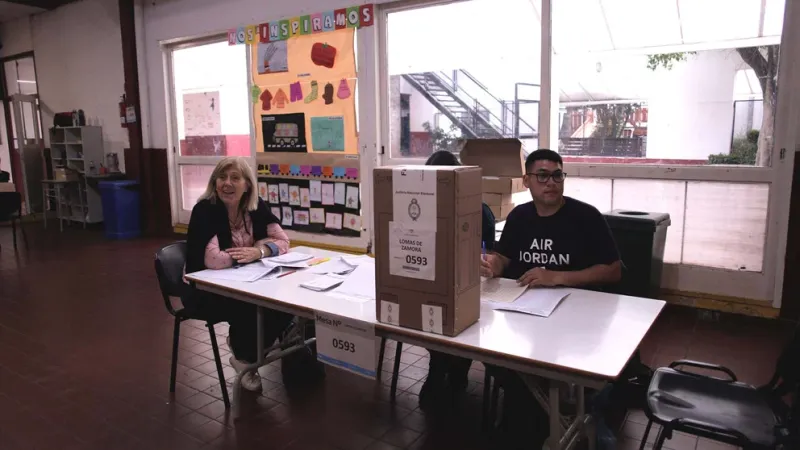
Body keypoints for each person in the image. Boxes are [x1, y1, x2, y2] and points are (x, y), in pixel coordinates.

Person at [480, 148, 622, 446]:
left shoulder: (585, 216)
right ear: (526, 181)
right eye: (542, 175)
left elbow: (613, 271)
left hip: (576, 318)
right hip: (526, 313)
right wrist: (494, 264)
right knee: (496, 359)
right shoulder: (519, 216)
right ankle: (540, 415)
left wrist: (556, 277)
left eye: (557, 175)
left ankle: (565, 416)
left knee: (553, 373)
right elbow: (504, 257)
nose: (551, 182)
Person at [183, 156, 294, 392]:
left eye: (235, 178)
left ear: (247, 185)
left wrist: (260, 250)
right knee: (252, 306)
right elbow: (212, 260)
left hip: (245, 281)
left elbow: (284, 242)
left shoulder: (255, 207)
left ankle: (246, 353)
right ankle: (246, 359)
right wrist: (250, 254)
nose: (227, 183)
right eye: (221, 177)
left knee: (286, 302)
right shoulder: (205, 210)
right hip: (204, 290)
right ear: (214, 183)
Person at [418, 150, 497, 410]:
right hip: (436, 280)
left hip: (471, 282)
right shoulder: (421, 205)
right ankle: (443, 366)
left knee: (460, 316)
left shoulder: (479, 210)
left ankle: (453, 368)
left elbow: (486, 253)